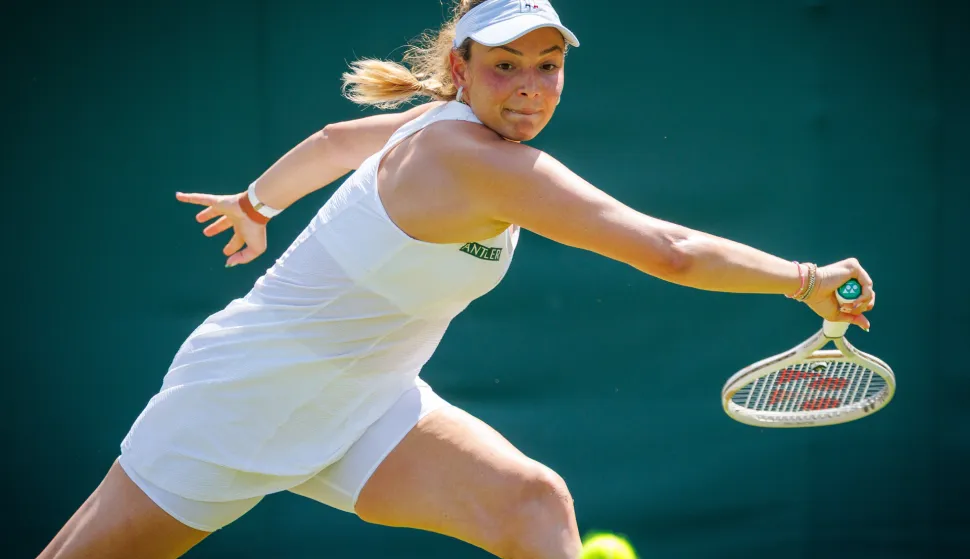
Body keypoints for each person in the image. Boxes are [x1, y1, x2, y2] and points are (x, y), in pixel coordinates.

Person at [39, 0, 876, 558]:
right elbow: (667, 251)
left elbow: (336, 139)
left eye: (548, 64)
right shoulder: (473, 158)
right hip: (243, 397)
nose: (531, 87)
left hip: (366, 399)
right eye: (506, 65)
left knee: (531, 503)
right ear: (464, 65)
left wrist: (257, 202)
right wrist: (804, 279)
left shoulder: (440, 122)